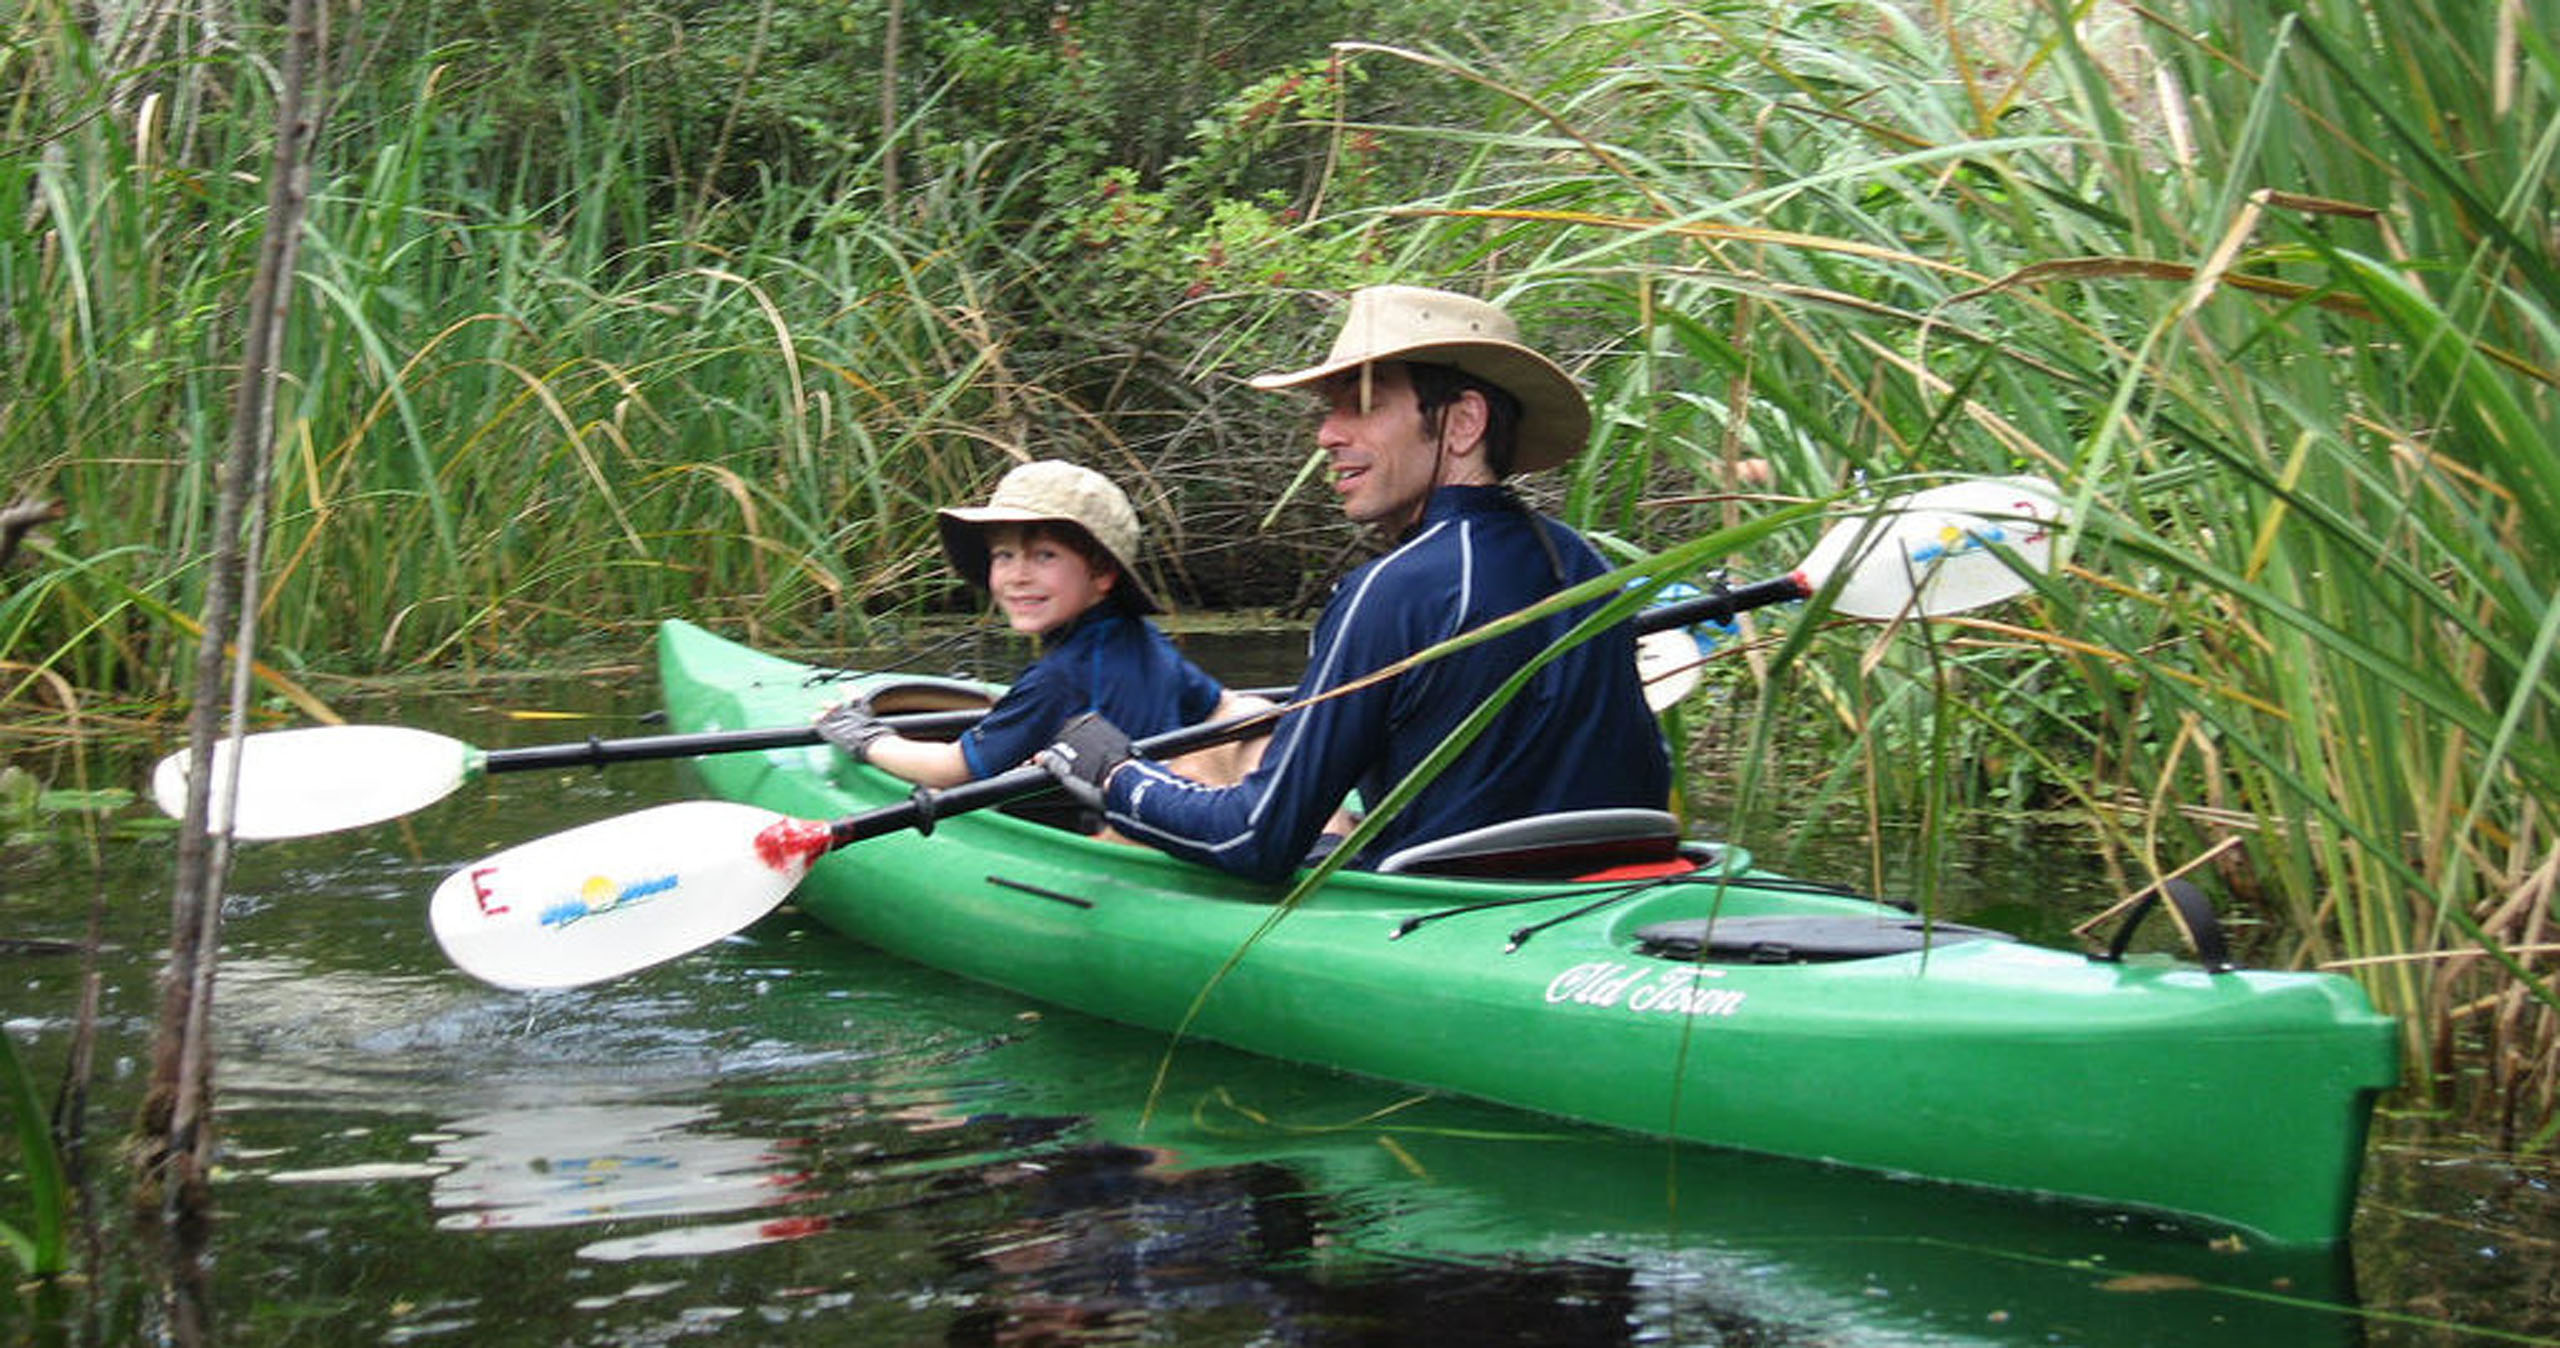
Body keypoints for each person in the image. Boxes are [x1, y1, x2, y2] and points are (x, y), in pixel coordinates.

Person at [1039, 284, 1672, 880]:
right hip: (1591, 888)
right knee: (1248, 743)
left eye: (1363, 404)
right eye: (1332, 409)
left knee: (1196, 771)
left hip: (1443, 910)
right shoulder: (1585, 564)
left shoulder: (1389, 591)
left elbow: (1254, 839)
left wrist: (1115, 773)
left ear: (1462, 423)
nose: (1327, 435)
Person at [820, 459, 1268, 790]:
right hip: (1164, 794)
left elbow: (951, 767)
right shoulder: (1143, 637)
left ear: (1102, 574)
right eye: (1004, 555)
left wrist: (865, 736)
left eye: (1044, 555)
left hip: (1132, 833)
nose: (1018, 575)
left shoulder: (1057, 680)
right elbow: (1220, 706)